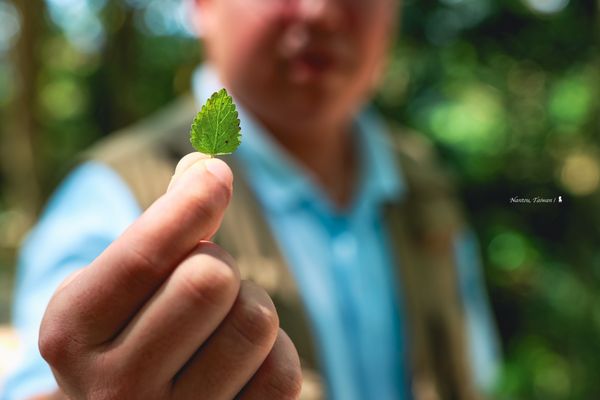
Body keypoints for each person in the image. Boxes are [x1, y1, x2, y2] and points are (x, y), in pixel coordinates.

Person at [2, 0, 500, 399]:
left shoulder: (423, 184)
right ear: (202, 6)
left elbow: (470, 373)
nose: (321, 11)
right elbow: (44, 375)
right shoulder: (114, 195)